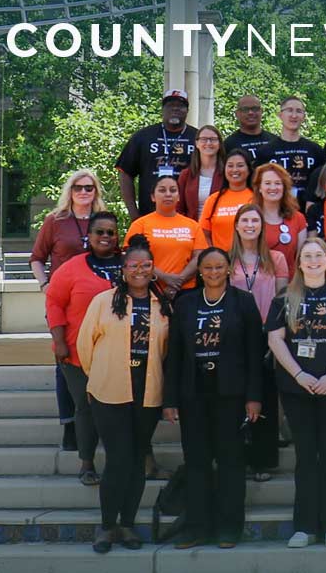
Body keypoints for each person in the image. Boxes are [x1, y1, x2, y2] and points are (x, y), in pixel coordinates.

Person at [163, 247, 265, 549]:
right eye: (207, 268)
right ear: (200, 271)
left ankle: (229, 529)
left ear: (228, 269)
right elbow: (176, 355)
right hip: (193, 394)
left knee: (231, 463)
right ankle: (197, 528)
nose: (213, 272)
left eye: (219, 267)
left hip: (231, 395)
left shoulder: (243, 303)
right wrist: (170, 400)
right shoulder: (185, 303)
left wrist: (254, 397)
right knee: (197, 462)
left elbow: (254, 354)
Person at [76, 234, 171, 554]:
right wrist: (97, 377)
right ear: (124, 268)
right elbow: (84, 346)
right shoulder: (104, 302)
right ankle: (107, 525)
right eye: (134, 265)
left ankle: (128, 524)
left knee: (136, 460)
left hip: (147, 393)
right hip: (110, 392)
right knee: (117, 460)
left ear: (153, 268)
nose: (140, 270)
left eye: (146, 265)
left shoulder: (163, 305)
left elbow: (167, 350)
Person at [268, 238, 326, 549]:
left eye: (318, 255)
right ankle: (304, 526)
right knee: (306, 456)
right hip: (297, 388)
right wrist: (299, 374)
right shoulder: (285, 298)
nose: (312, 261)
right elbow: (276, 340)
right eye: (307, 256)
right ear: (299, 262)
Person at [45, 212, 124, 486]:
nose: (105, 237)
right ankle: (87, 462)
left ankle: (130, 460)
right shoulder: (71, 267)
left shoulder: (129, 265)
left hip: (121, 353)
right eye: (99, 232)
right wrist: (59, 340)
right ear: (88, 237)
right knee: (86, 407)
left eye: (110, 232)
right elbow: (53, 302)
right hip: (78, 354)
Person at [31, 169, 107, 451]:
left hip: (98, 303)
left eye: (89, 188)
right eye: (78, 188)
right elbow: (37, 258)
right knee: (65, 364)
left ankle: (95, 422)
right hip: (63, 301)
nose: (84, 192)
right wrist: (45, 285)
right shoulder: (56, 221)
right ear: (70, 191)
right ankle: (70, 425)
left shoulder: (103, 221)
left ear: (96, 191)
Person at [230, 203, 290, 482]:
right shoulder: (227, 258)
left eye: (255, 220)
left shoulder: (276, 258)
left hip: (268, 334)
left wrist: (277, 334)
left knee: (265, 396)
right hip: (235, 334)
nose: (250, 225)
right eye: (245, 220)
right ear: (237, 226)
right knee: (237, 397)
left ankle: (263, 461)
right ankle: (237, 458)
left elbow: (282, 300)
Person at [116, 88, 198, 219]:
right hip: (149, 214)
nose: (175, 109)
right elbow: (125, 172)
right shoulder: (143, 136)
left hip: (189, 217)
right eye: (170, 105)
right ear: (163, 110)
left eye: (180, 106)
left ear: (187, 111)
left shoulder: (198, 138)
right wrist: (133, 213)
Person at [124, 176, 205, 297]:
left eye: (173, 190)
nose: (168, 194)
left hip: (186, 291)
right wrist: (164, 277)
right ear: (153, 197)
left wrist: (177, 282)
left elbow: (199, 256)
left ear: (178, 196)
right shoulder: (140, 224)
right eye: (162, 190)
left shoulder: (193, 225)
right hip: (150, 290)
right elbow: (130, 257)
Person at [257, 96, 325, 205]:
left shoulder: (315, 150)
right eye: (289, 110)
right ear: (280, 115)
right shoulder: (265, 151)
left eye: (299, 111)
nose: (294, 115)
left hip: (308, 211)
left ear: (303, 117)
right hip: (277, 212)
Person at [252, 162, 308, 277]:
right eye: (267, 183)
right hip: (259, 281)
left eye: (278, 183)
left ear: (284, 187)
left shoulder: (298, 218)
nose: (273, 188)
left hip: (291, 284)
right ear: (259, 188)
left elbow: (301, 257)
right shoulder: (250, 218)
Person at [198, 149, 254, 252]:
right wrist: (216, 255)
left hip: (249, 259)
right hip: (221, 262)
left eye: (240, 165)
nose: (235, 170)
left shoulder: (257, 197)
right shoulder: (213, 200)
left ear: (249, 169)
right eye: (230, 166)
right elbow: (204, 234)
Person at [177, 125, 227, 220]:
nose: (208, 143)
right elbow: (179, 207)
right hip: (192, 229)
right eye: (204, 139)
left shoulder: (227, 173)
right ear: (197, 143)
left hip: (219, 229)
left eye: (213, 139)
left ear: (219, 143)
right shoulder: (186, 175)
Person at [223, 95, 278, 162]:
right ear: (237, 114)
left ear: (261, 111)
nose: (250, 113)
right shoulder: (228, 145)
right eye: (245, 109)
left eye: (255, 109)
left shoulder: (275, 141)